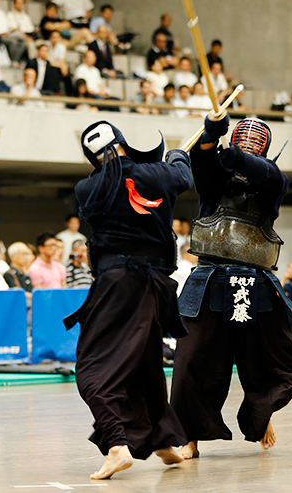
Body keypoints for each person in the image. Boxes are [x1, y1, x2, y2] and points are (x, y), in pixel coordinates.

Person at [171, 115, 292, 461]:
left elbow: (265, 173)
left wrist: (238, 157)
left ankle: (260, 416)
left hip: (255, 282)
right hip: (209, 278)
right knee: (190, 359)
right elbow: (203, 164)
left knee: (270, 359)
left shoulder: (274, 180)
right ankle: (189, 437)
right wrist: (211, 135)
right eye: (240, 139)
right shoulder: (215, 180)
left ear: (264, 149)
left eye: (253, 142)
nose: (246, 144)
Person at [64, 120, 193, 479]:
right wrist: (180, 157)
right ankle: (163, 439)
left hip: (117, 285)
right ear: (123, 142)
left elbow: (121, 180)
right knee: (145, 366)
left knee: (91, 369)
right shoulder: (156, 173)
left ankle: (118, 445)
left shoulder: (86, 187)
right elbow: (182, 178)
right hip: (153, 287)